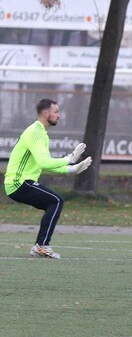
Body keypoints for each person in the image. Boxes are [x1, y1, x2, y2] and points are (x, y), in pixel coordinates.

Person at [4, 99, 92, 259]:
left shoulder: (40, 133)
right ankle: (41, 246)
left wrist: (72, 168)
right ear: (46, 114)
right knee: (56, 201)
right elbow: (44, 162)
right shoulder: (36, 132)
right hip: (18, 182)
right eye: (56, 112)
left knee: (54, 202)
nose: (59, 115)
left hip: (21, 183)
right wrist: (69, 159)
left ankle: (41, 245)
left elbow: (46, 163)